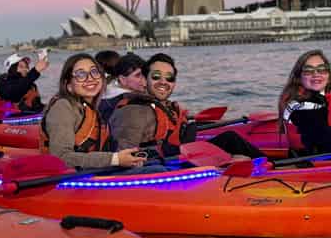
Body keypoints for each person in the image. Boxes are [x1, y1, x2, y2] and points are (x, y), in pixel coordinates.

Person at [110, 53, 263, 159]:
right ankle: (276, 168)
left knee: (230, 138)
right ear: (145, 79)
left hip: (182, 154)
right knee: (231, 140)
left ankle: (274, 166)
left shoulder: (164, 106)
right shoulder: (133, 111)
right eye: (156, 76)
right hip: (170, 163)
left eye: (169, 78)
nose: (163, 82)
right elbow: (125, 156)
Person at [39, 53, 146, 169]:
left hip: (95, 170)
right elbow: (61, 157)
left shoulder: (91, 107)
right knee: (156, 171)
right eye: (80, 74)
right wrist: (115, 159)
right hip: (71, 178)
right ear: (68, 84)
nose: (90, 78)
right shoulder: (62, 107)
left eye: (94, 72)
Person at [98, 53, 145, 122]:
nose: (144, 79)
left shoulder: (104, 96)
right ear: (122, 79)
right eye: (138, 75)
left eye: (145, 73)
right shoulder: (129, 102)